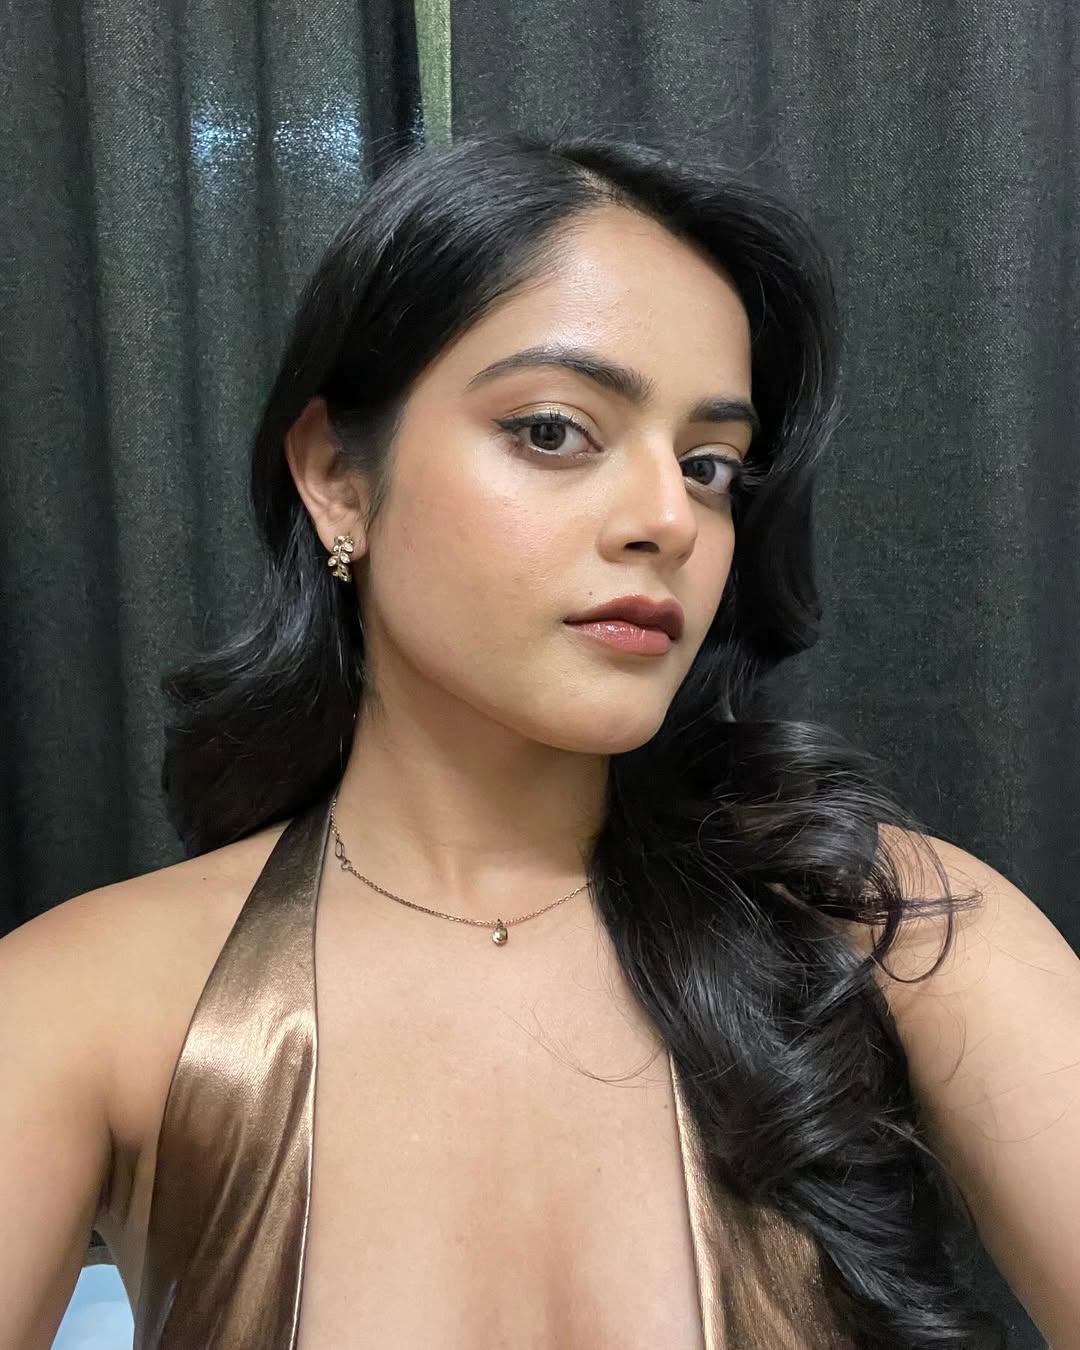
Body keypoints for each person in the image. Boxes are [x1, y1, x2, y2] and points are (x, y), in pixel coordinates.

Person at [3, 129, 1078, 1350]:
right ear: (337, 478)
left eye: (710, 465)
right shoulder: (89, 1006)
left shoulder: (894, 929)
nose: (669, 519)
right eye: (555, 431)